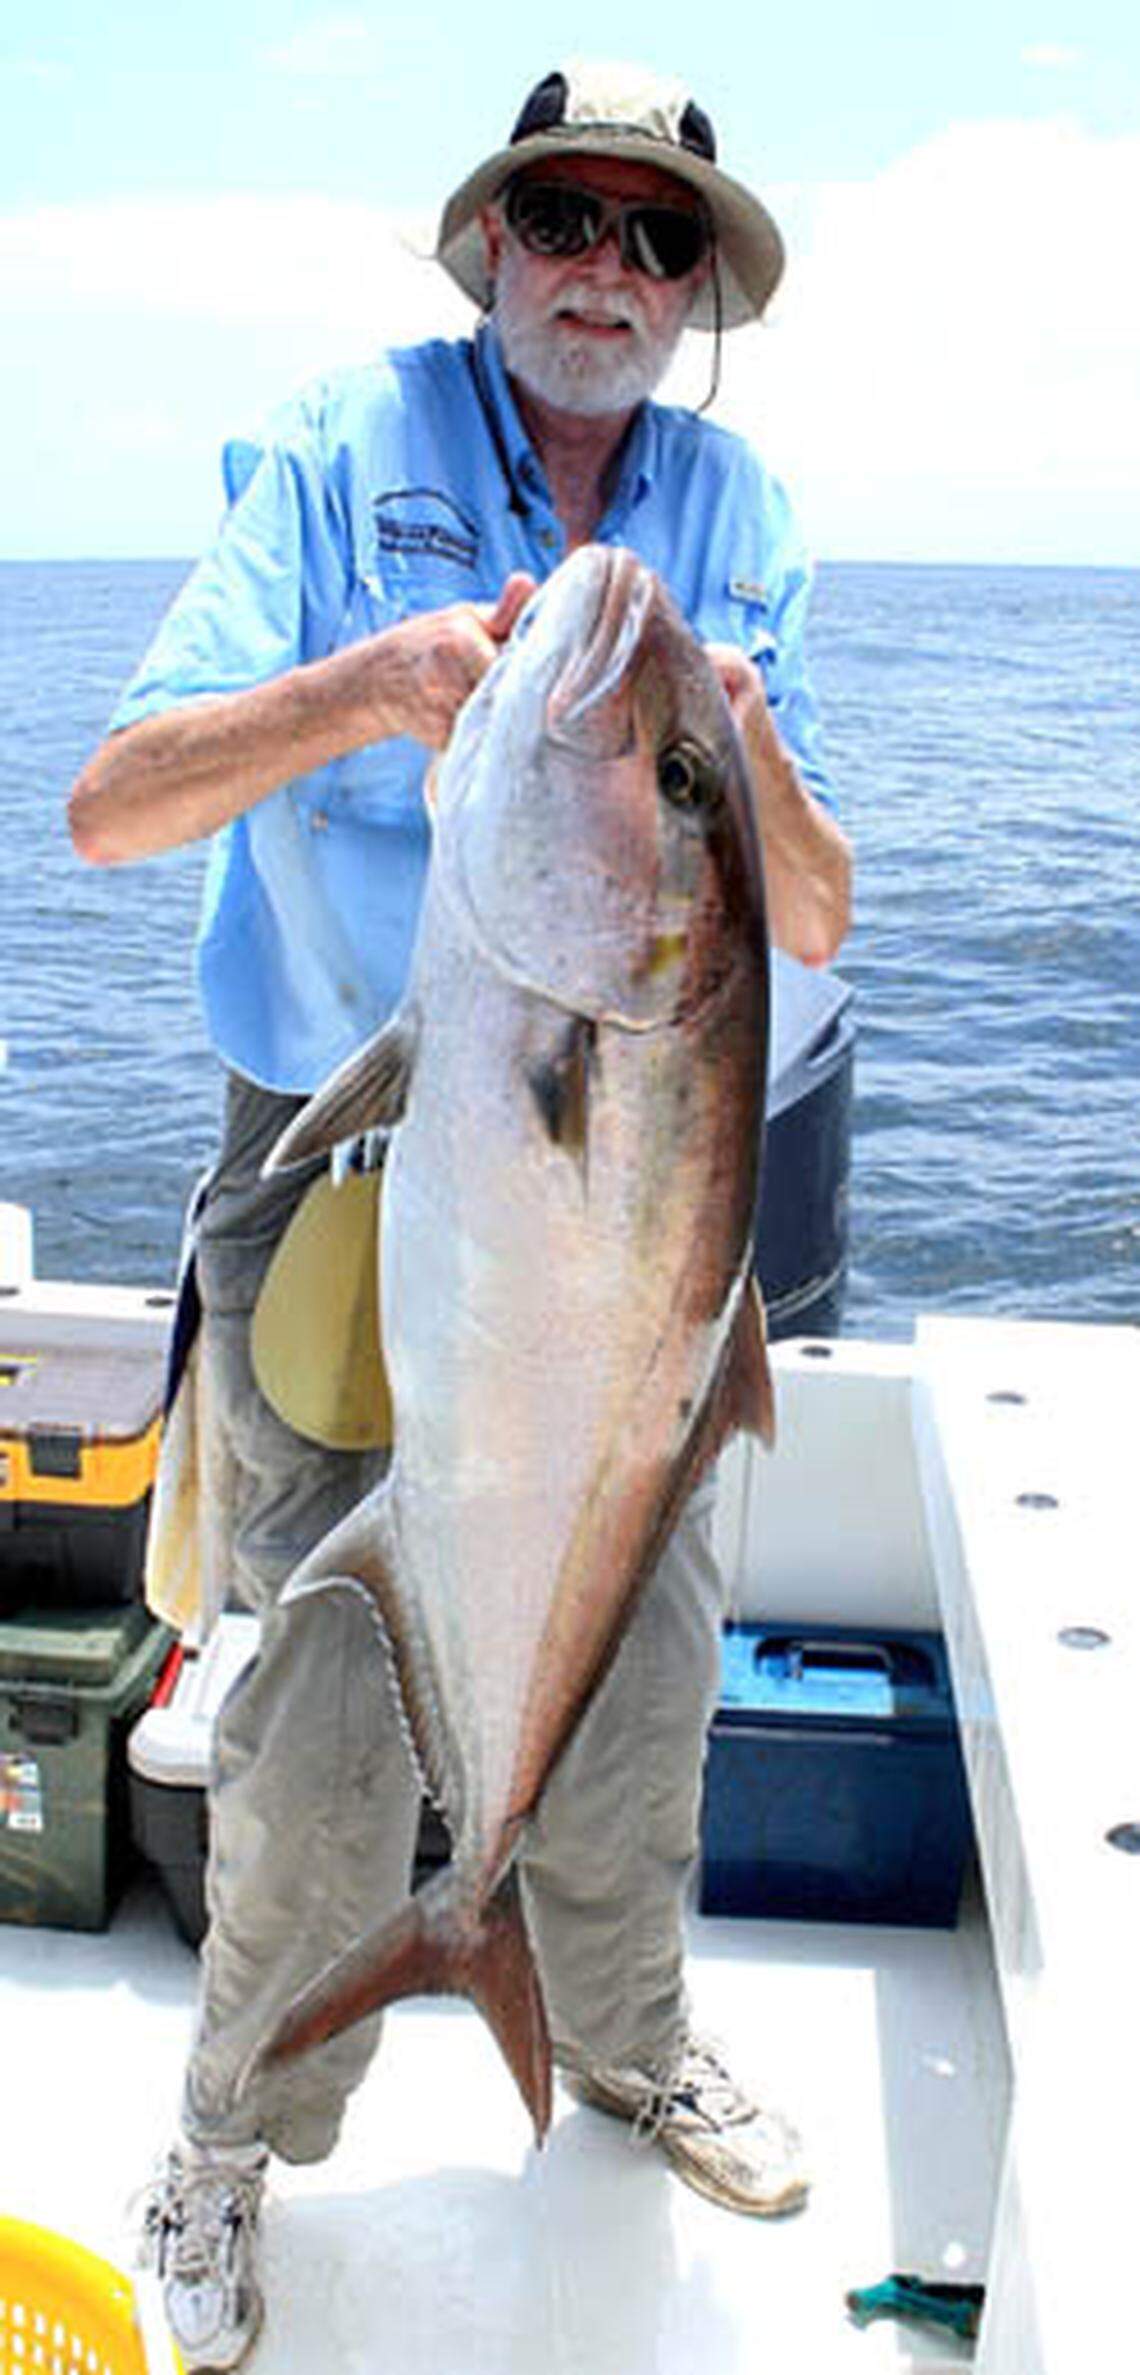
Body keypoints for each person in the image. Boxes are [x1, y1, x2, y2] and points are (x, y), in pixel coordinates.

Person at [70, 60, 851, 2374]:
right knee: (315, 1725)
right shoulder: (338, 447)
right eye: (566, 216)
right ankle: (228, 2131)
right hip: (345, 1159)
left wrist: (735, 748)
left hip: (631, 1204)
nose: (606, 264)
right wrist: (377, 687)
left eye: (654, 234)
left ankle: (613, 2034)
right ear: (490, 243)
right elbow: (116, 805)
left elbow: (802, 897)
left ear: (695, 288)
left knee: (643, 1699)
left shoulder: (744, 509)